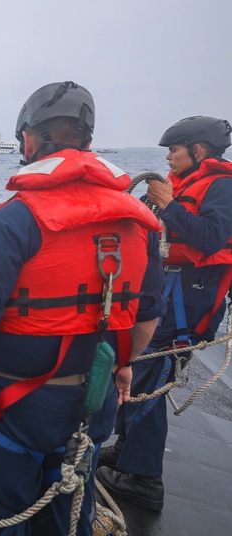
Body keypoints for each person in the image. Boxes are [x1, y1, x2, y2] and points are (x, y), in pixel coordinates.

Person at [0, 81, 164, 536]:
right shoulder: (139, 224)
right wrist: (123, 364)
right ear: (87, 141)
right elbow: (145, 317)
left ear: (29, 140)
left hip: (13, 409)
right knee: (70, 523)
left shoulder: (11, 221)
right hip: (92, 403)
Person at [97, 116, 232, 511]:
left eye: (174, 150)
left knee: (150, 378)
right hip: (168, 294)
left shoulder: (222, 186)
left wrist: (169, 204)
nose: (169, 157)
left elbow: (210, 238)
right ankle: (128, 449)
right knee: (138, 372)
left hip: (186, 302)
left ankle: (143, 478)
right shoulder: (188, 184)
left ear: (198, 150)